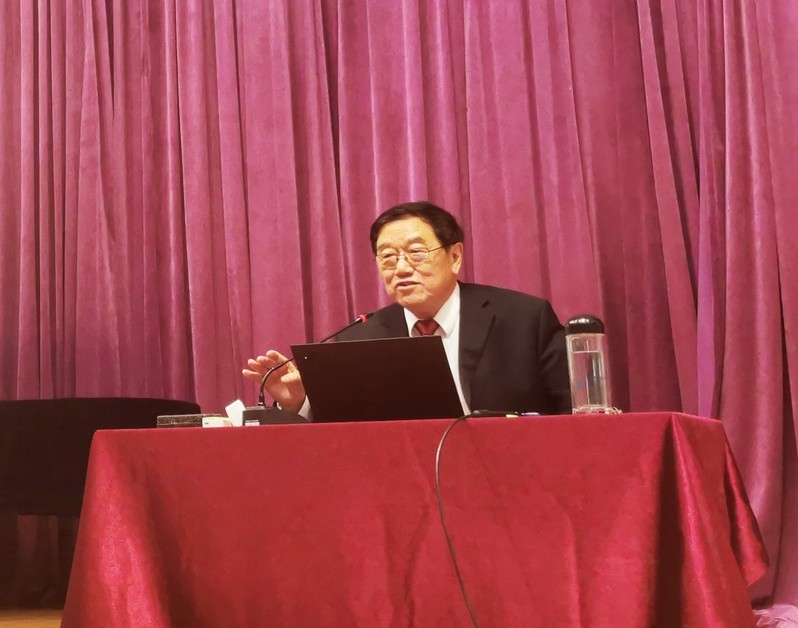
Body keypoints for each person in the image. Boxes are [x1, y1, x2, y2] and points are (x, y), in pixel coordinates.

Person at [243, 201, 571, 416]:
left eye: (416, 253)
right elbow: (343, 432)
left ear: (455, 257)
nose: (400, 268)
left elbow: (570, 412)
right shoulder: (360, 339)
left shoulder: (524, 319)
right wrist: (299, 403)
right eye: (387, 257)